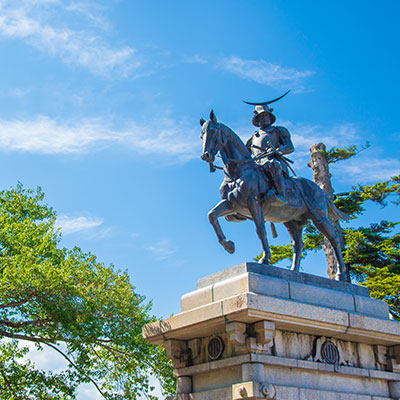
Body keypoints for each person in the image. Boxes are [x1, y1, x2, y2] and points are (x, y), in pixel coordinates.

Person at [245, 93, 294, 206]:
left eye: (266, 115)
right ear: (257, 119)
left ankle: (280, 194)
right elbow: (245, 155)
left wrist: (278, 150)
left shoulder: (279, 131)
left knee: (272, 164)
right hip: (258, 165)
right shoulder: (252, 138)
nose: (265, 118)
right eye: (262, 116)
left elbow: (290, 147)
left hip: (274, 163)